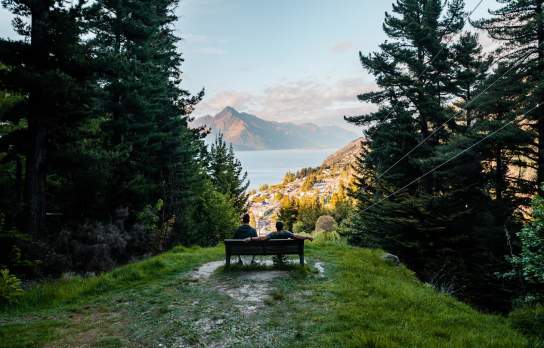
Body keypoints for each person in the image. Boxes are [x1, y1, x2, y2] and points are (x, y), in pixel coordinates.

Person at [244, 221, 313, 242]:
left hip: (273, 250)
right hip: (285, 249)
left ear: (276, 227)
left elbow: (263, 238)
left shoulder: (272, 234)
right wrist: (307, 237)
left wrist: (250, 238)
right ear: (282, 227)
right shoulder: (286, 233)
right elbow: (296, 236)